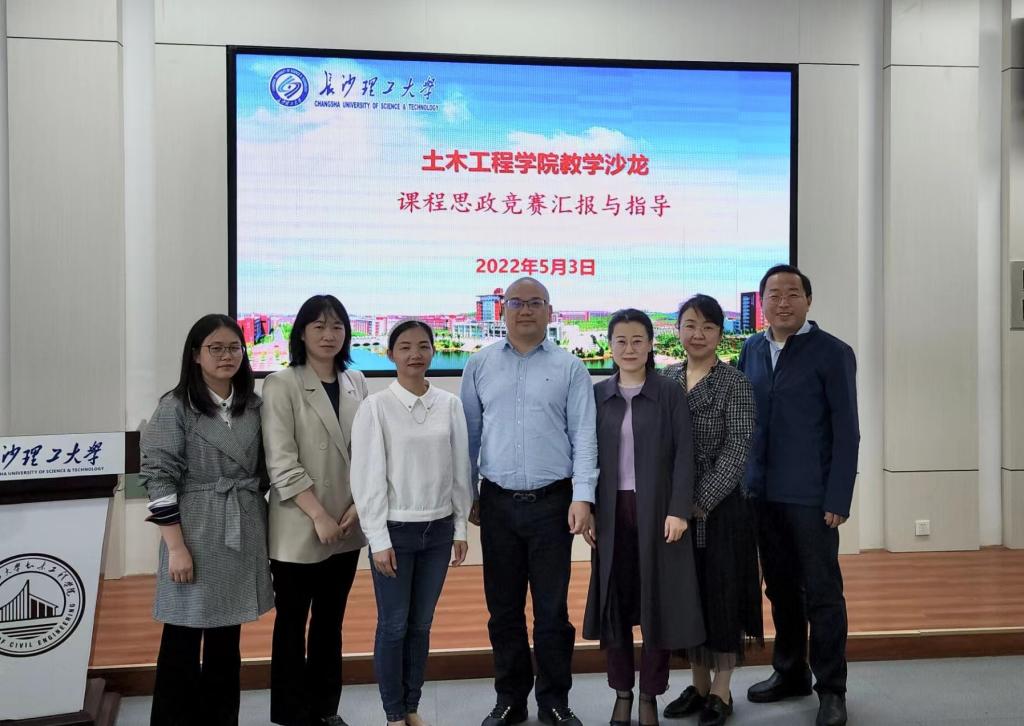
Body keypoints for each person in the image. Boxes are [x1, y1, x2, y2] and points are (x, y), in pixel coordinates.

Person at [460, 277, 598, 726]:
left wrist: (583, 497)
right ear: (502, 310)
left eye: (535, 303)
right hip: (497, 504)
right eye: (516, 303)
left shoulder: (570, 368)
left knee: (552, 611)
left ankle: (554, 700)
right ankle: (510, 699)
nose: (525, 310)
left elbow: (584, 437)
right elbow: (468, 437)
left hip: (553, 504)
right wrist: (469, 494)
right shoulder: (479, 364)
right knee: (503, 610)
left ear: (549, 311)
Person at [737, 265, 859, 726]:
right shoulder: (751, 349)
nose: (783, 302)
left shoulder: (833, 352)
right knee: (780, 588)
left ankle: (832, 690)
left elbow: (847, 431)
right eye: (774, 294)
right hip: (761, 495)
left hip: (811, 498)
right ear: (762, 303)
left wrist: (838, 497)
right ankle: (790, 672)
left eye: (793, 294)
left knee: (823, 593)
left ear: (808, 300)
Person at [140, 313, 273, 726]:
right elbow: (158, 476)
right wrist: (176, 547)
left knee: (226, 640)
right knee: (181, 637)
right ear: (196, 355)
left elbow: (266, 470)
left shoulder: (253, 406)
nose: (226, 356)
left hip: (242, 526)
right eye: (215, 348)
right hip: (193, 531)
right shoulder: (175, 407)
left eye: (234, 347)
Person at [583, 308, 704, 726]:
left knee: (659, 604)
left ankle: (650, 694)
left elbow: (685, 454)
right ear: (610, 346)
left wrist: (678, 509)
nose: (629, 348)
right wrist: (588, 509)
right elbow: (585, 455)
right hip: (611, 512)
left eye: (638, 340)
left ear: (651, 344)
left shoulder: (669, 393)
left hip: (659, 513)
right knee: (615, 604)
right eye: (621, 340)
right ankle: (622, 692)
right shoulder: (597, 395)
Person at [351, 320, 473, 726]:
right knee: (393, 625)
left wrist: (460, 527)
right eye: (404, 347)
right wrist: (378, 538)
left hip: (438, 531)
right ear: (390, 355)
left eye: (423, 346)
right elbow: (366, 477)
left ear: (433, 351)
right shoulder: (376, 407)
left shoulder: (449, 404)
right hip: (395, 533)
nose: (414, 354)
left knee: (420, 625)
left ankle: (412, 705)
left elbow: (460, 470)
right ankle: (393, 713)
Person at [261, 295, 368, 726]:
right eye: (319, 326)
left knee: (330, 622)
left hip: (347, 522)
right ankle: (292, 714)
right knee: (291, 623)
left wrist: (358, 506)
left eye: (337, 326)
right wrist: (319, 516)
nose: (329, 335)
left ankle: (326, 709)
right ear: (302, 333)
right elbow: (281, 462)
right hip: (299, 522)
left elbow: (367, 453)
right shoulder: (281, 383)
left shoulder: (356, 380)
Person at [661, 295, 763, 726]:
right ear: (678, 330)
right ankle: (698, 684)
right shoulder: (665, 378)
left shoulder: (735, 383)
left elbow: (737, 452)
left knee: (722, 597)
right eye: (690, 325)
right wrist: (672, 504)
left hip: (719, 512)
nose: (697, 334)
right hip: (673, 511)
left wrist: (696, 503)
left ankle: (721, 689)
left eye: (707, 327)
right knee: (688, 597)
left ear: (720, 334)